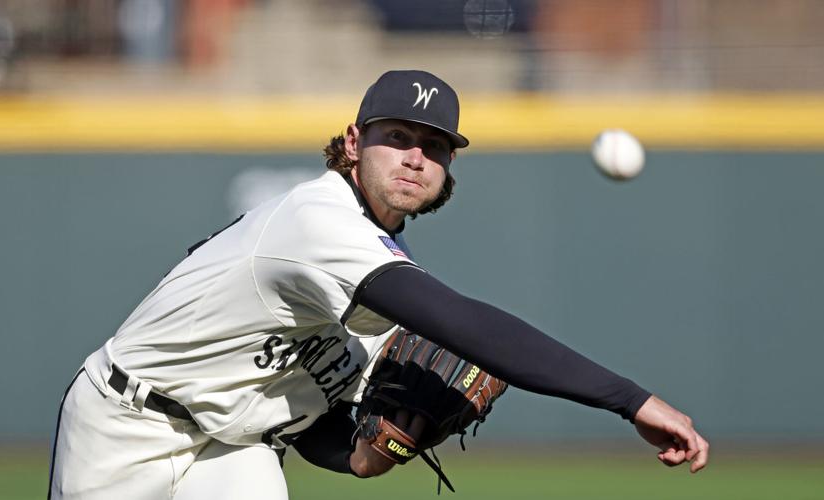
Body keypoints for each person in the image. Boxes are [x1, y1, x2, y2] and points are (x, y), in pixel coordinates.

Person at [48, 70, 709, 499]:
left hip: (235, 443)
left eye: (435, 146)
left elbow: (316, 422)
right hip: (127, 425)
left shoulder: (382, 263)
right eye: (396, 136)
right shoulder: (319, 222)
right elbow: (466, 326)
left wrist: (369, 454)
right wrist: (631, 400)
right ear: (352, 143)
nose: (415, 157)